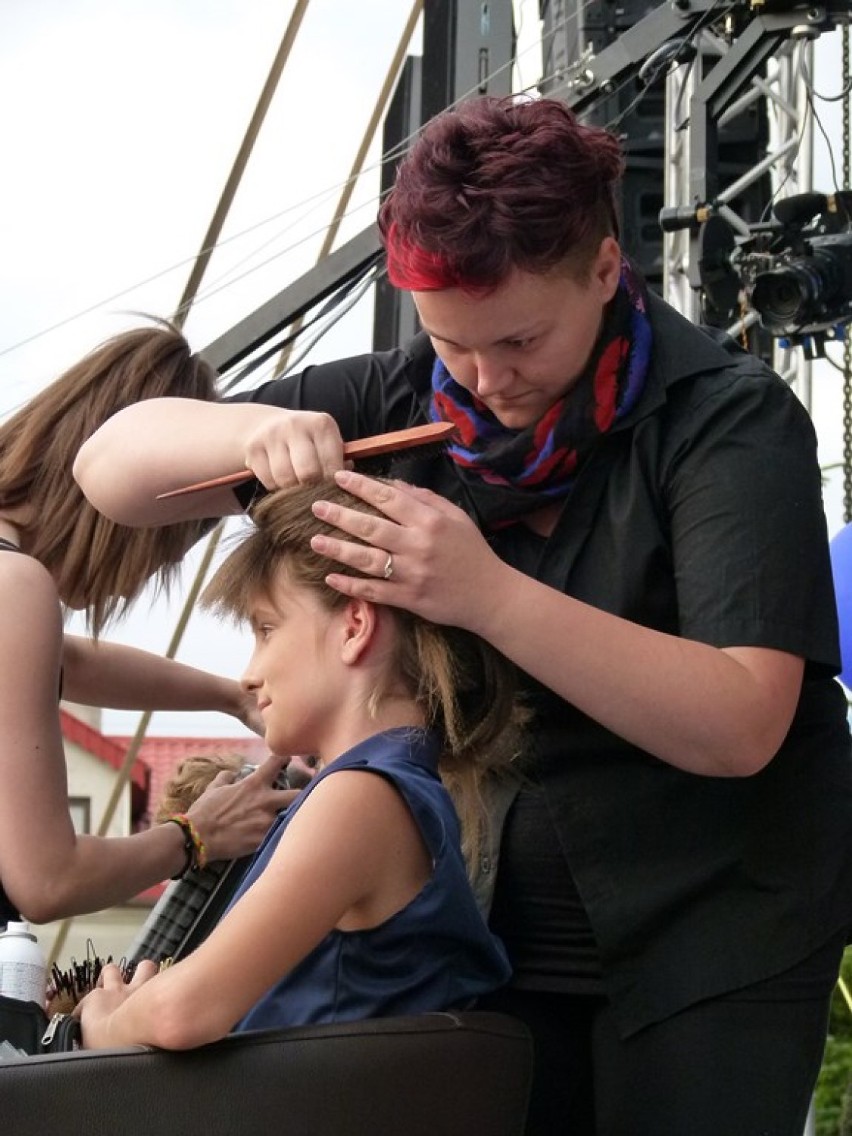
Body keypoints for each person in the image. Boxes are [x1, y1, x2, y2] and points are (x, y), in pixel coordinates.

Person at [72, 95, 852, 1135]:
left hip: (714, 928)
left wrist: (486, 591)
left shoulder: (729, 419)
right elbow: (109, 470)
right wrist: (260, 428)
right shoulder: (401, 402)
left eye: (520, 339)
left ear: (606, 270)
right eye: (454, 342)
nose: (488, 381)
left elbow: (742, 719)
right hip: (490, 934)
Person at [76, 479, 521, 1049]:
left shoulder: (361, 797)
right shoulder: (392, 787)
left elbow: (180, 1014)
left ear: (355, 626)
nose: (248, 673)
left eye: (265, 630)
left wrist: (105, 1023)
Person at [0, 322, 291, 929]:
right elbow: (47, 881)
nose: (134, 585)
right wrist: (195, 837)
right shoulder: (14, 587)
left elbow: (69, 664)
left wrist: (233, 698)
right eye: (164, 555)